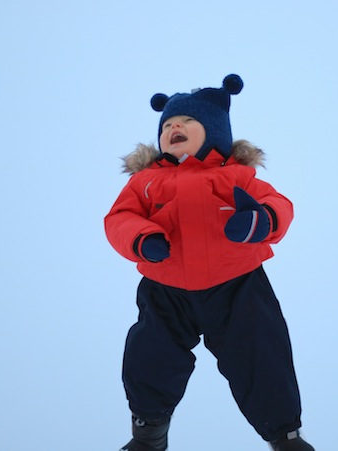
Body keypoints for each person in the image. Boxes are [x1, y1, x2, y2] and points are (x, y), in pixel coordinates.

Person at [104, 74, 314, 451]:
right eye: (167, 125)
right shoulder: (146, 182)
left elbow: (279, 205)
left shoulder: (236, 175)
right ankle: (148, 434)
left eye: (187, 121)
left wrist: (260, 220)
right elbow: (119, 218)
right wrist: (143, 238)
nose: (174, 128)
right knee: (149, 357)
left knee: (262, 355)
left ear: (214, 131)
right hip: (166, 290)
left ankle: (285, 435)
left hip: (239, 286)